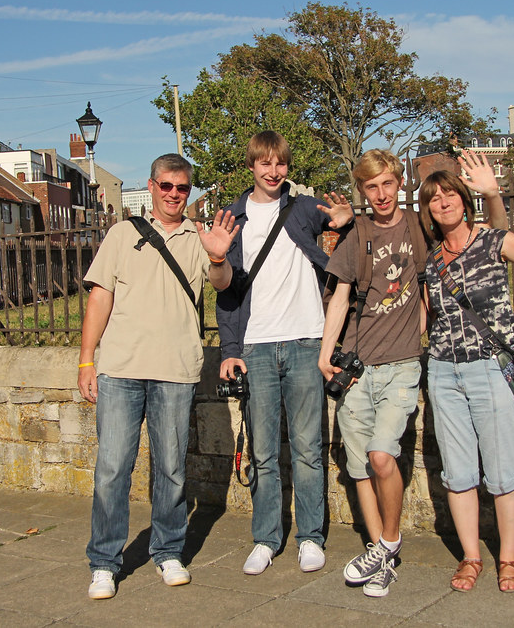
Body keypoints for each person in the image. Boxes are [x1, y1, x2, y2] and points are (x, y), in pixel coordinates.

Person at [319, 149, 507, 597]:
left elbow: (485, 241)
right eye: (371, 187)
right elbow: (340, 297)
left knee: (382, 456)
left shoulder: (418, 226)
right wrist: (326, 355)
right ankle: (381, 558)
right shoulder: (357, 233)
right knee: (359, 468)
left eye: (388, 184)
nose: (381, 194)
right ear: (362, 191)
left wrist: (491, 195)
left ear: (399, 183)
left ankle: (389, 542)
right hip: (357, 367)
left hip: (401, 365)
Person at [79, 153, 238, 599]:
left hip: (175, 370)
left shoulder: (197, 237)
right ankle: (104, 562)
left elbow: (222, 283)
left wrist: (218, 256)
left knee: (171, 468)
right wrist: (86, 359)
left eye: (182, 187)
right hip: (121, 369)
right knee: (112, 469)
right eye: (166, 185)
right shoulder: (121, 234)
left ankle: (168, 551)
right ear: (150, 187)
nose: (173, 194)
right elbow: (100, 298)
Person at [419, 151, 514, 594]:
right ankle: (470, 557)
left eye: (450, 194)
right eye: (434, 198)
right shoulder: (430, 261)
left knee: (502, 472)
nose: (443, 202)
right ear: (427, 210)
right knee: (458, 473)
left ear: (464, 200)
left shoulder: (491, 240)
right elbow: (425, 321)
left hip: (491, 369)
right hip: (444, 372)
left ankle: (509, 557)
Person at [215, 131, 353, 575]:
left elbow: (344, 228)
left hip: (306, 340)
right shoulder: (233, 217)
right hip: (255, 345)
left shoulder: (304, 208)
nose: (273, 172)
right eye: (265, 163)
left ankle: (310, 537)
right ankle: (265, 538)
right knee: (263, 452)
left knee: (309, 448)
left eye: (280, 164)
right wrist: (230, 348)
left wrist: (347, 218)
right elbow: (226, 290)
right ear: (251, 166)